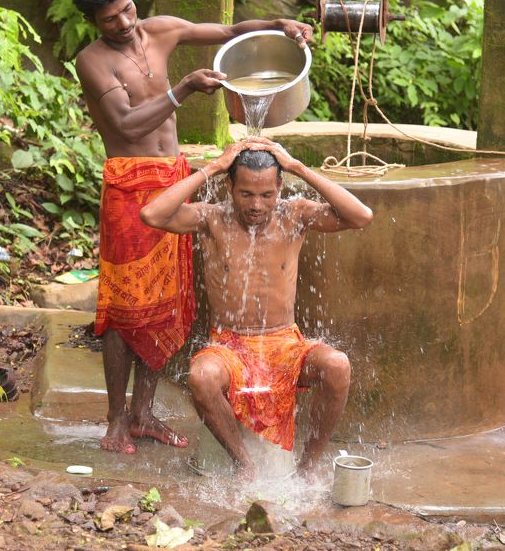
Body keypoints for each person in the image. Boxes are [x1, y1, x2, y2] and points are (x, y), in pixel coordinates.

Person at [70, 0, 313, 454]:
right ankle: (116, 421)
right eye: (110, 19)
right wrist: (181, 89)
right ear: (93, 21)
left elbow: (229, 32)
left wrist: (278, 24)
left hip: (173, 178)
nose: (124, 23)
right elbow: (128, 123)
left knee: (168, 302)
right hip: (129, 184)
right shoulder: (92, 61)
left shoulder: (160, 30)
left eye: (127, 9)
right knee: (125, 307)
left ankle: (144, 414)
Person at [139, 138, 373, 480]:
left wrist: (298, 167)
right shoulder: (212, 218)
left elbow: (361, 216)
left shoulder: (294, 215)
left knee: (338, 366)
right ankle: (244, 464)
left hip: (285, 345)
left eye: (267, 194)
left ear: (280, 187)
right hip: (229, 347)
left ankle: (308, 467)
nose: (256, 205)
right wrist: (214, 167)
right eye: (246, 193)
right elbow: (151, 214)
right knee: (201, 377)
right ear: (230, 187)